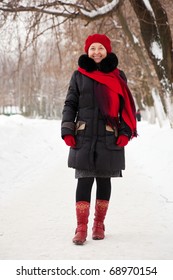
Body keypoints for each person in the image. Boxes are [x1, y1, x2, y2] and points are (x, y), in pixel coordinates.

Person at [61, 33, 137, 245]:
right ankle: (81, 227)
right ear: (87, 51)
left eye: (100, 48)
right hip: (84, 137)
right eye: (92, 48)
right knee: (83, 181)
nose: (96, 52)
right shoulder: (78, 75)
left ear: (107, 51)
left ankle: (98, 224)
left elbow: (125, 108)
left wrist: (124, 132)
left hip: (108, 137)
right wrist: (68, 130)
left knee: (104, 181)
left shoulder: (118, 75)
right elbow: (70, 104)